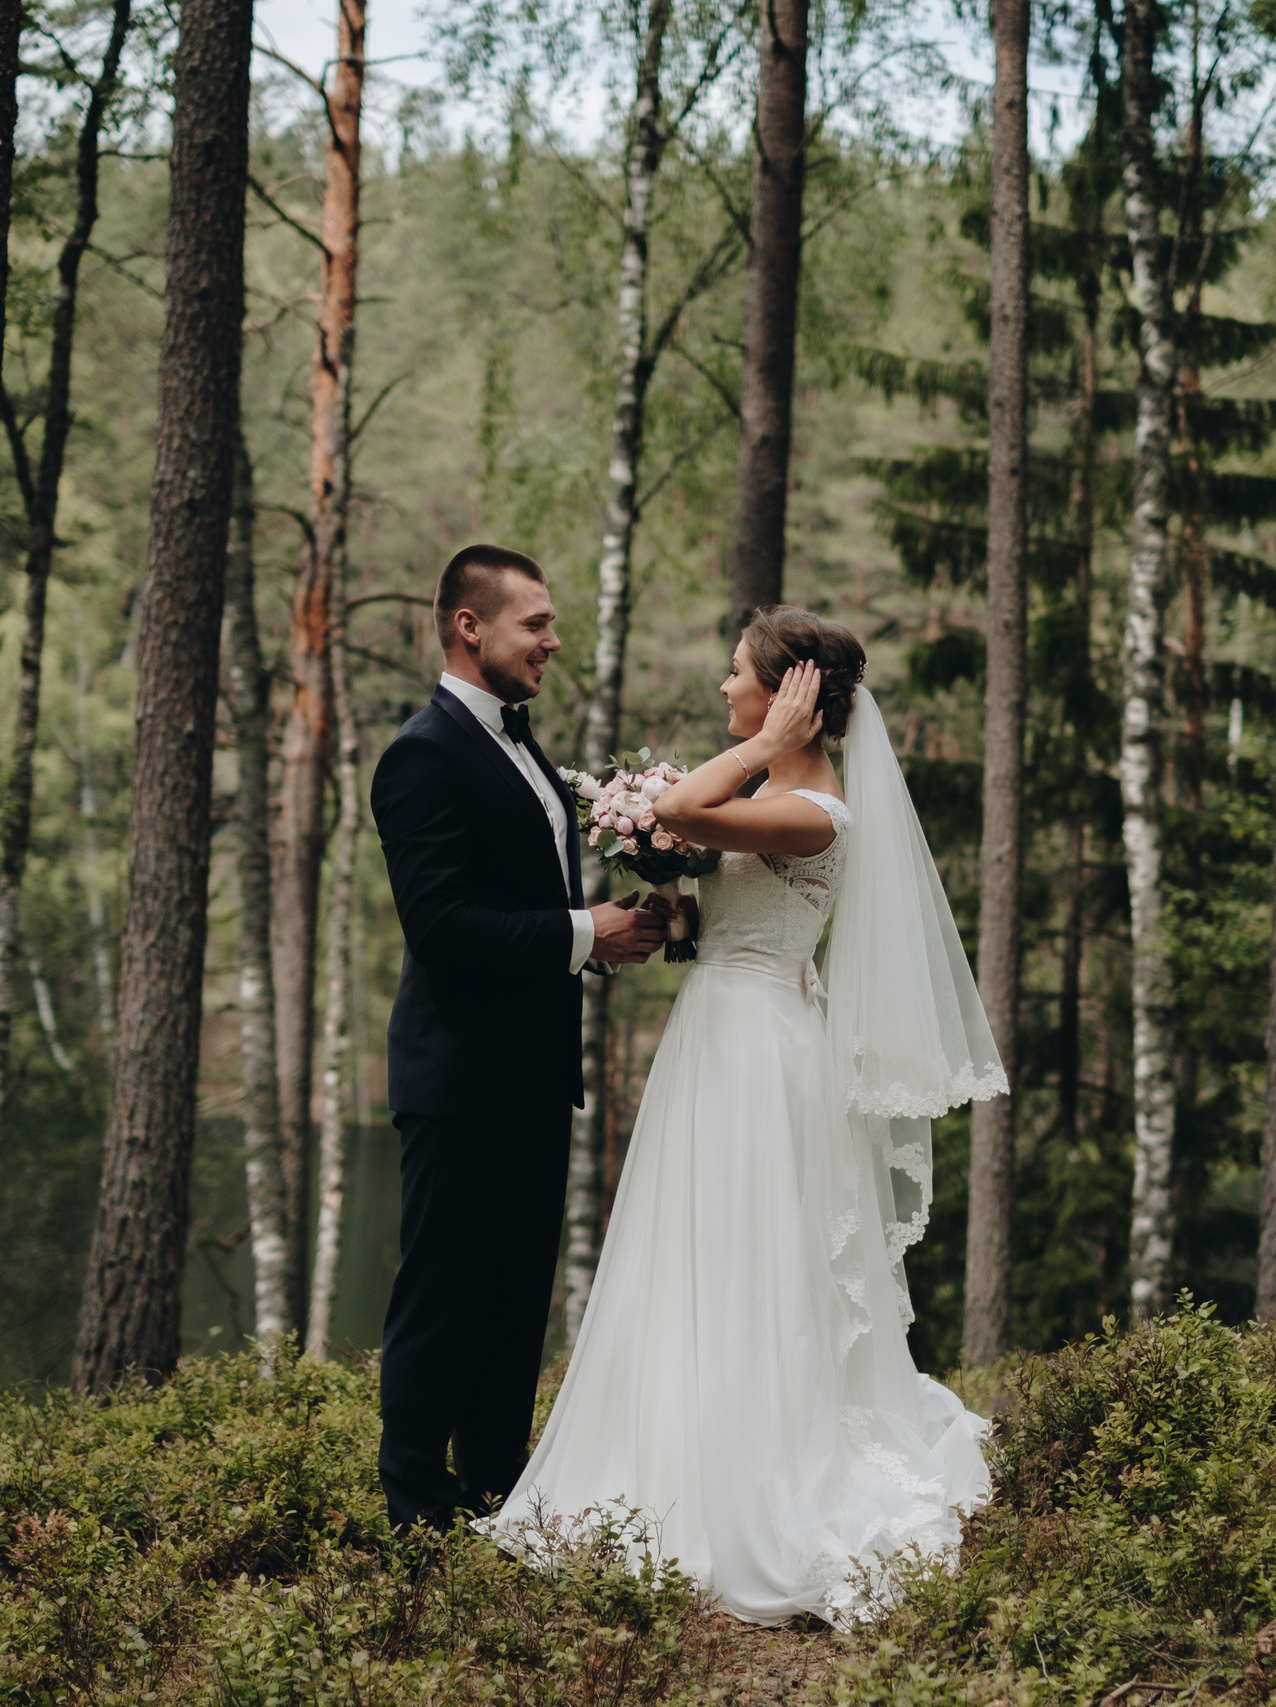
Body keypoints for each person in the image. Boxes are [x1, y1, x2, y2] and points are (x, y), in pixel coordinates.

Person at [477, 606, 1003, 1626]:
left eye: (739, 678)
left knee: (748, 1257)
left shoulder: (816, 814)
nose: (725, 692)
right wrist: (680, 915)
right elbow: (704, 860)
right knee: (695, 1255)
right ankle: (671, 1460)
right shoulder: (772, 795)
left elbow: (681, 813)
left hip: (759, 1053)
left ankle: (752, 1486)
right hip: (718, 1033)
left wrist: (759, 751)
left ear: (791, 697)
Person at [370, 543, 670, 1538]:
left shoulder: (524, 746)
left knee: (512, 1302)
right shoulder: (421, 755)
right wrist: (586, 932)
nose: (551, 639)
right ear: (470, 626)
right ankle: (415, 1506)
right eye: (533, 623)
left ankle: (497, 1489)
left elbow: (517, 907)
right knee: (443, 1296)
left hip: (536, 1075)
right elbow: (443, 928)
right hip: (457, 1079)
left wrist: (600, 938)